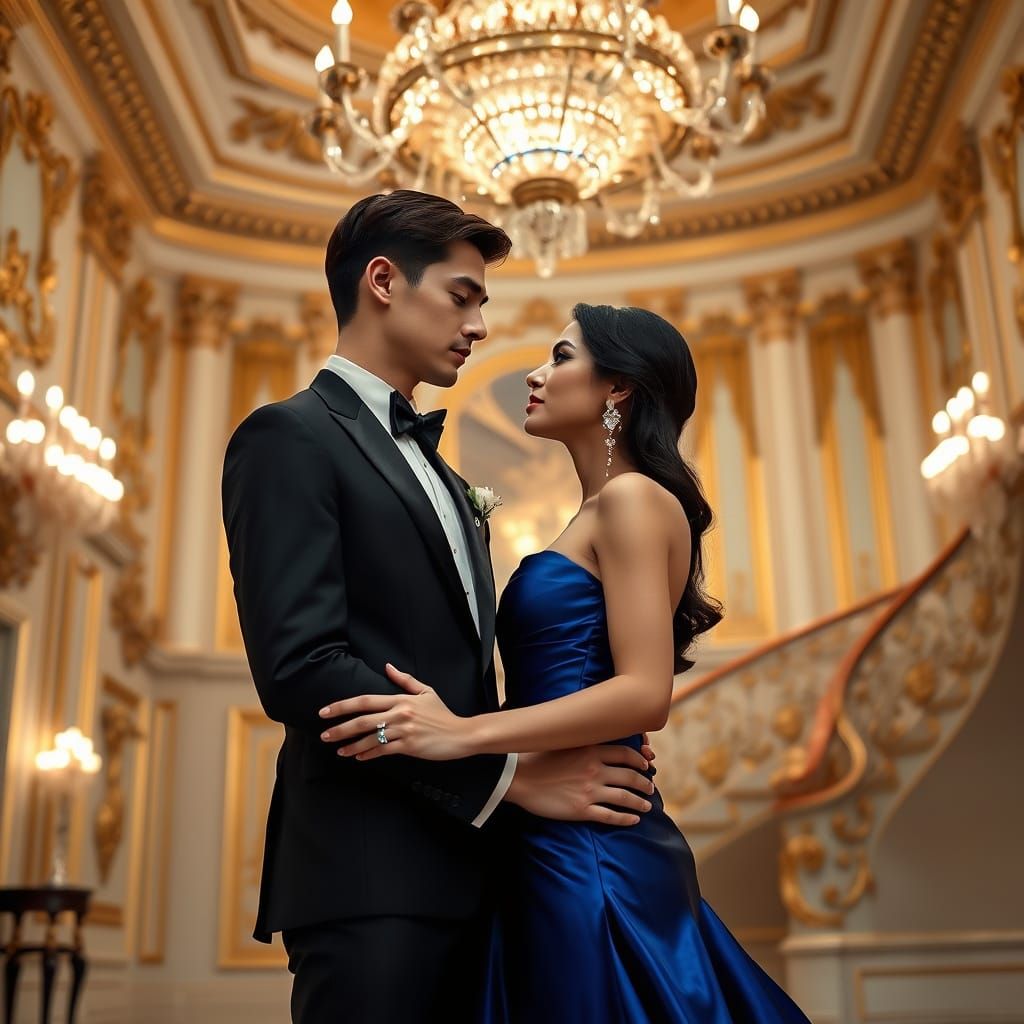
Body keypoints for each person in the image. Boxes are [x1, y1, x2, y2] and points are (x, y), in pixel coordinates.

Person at [221, 194, 657, 1024]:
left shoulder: (454, 482)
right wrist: (508, 778)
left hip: (484, 874)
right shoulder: (288, 437)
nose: (481, 325)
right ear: (383, 281)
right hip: (367, 874)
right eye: (464, 296)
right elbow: (302, 668)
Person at [318, 303, 813, 1022]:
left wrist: (462, 734)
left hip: (590, 847)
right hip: (552, 824)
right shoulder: (596, 510)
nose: (535, 372)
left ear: (618, 388)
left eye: (560, 356)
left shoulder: (634, 500)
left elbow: (646, 694)